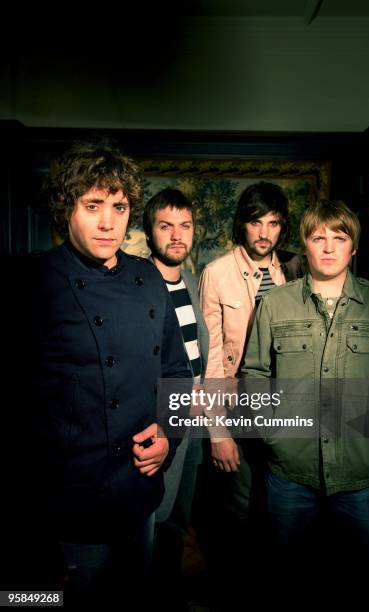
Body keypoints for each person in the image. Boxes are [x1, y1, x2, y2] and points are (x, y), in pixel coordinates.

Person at [16, 142, 191, 606]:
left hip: (139, 492)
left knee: (134, 598)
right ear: (65, 206)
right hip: (69, 506)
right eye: (92, 206)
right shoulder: (32, 282)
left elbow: (176, 370)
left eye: (119, 206)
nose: (109, 222)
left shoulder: (149, 277)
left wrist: (169, 437)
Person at [242, 199, 369, 595]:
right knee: (287, 579)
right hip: (289, 476)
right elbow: (254, 373)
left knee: (357, 581)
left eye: (339, 237)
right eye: (318, 237)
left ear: (353, 247)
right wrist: (273, 433)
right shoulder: (275, 304)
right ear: (305, 244)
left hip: (361, 478)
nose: (329, 247)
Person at [199, 181, 303, 516]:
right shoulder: (217, 274)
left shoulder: (295, 270)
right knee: (241, 506)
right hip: (237, 405)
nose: (264, 232)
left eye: (272, 223)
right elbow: (210, 359)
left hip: (286, 404)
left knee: (283, 504)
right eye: (255, 221)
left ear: (282, 227)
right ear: (242, 224)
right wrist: (218, 432)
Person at [142, 188, 208, 598]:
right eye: (166, 226)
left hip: (195, 417)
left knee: (178, 519)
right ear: (149, 233)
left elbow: (197, 351)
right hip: (160, 420)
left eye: (184, 226)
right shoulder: (139, 283)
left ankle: (167, 592)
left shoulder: (189, 281)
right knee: (153, 518)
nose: (177, 235)